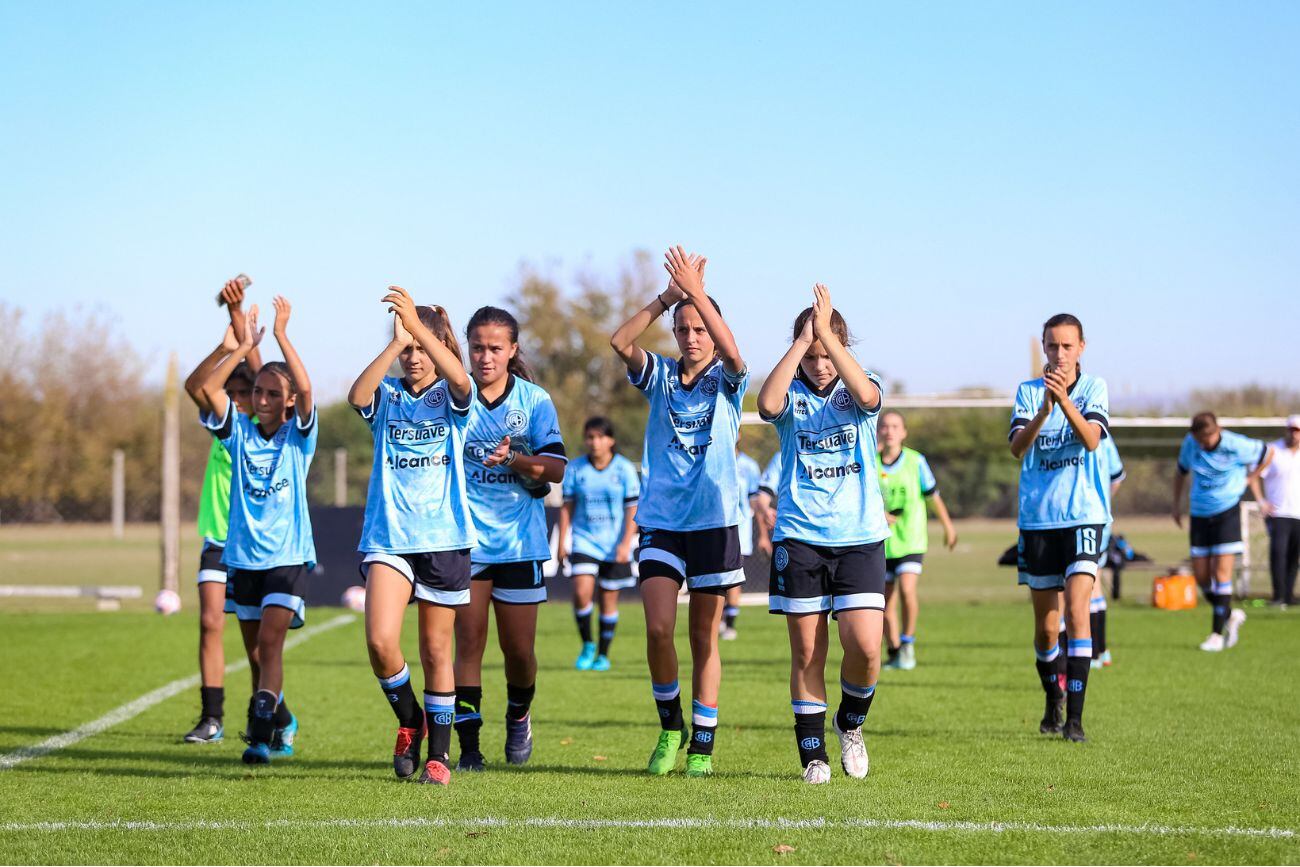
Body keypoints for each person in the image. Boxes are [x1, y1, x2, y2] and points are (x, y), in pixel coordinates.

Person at [610, 246, 747, 778]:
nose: (691, 337)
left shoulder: (728, 381)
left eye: (699, 328)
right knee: (658, 628)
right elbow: (620, 341)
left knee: (702, 637)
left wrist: (698, 295)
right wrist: (671, 296)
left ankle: (703, 746)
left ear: (713, 330)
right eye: (683, 328)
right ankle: (671, 728)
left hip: (714, 524)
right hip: (663, 522)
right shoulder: (662, 376)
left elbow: (735, 357)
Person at [758, 284, 888, 785]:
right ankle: (813, 756)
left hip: (859, 537)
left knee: (866, 647)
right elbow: (768, 404)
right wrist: (801, 341)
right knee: (808, 652)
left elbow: (868, 396)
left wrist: (829, 337)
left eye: (826, 354)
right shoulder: (791, 394)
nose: (819, 364)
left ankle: (850, 725)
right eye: (811, 356)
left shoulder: (860, 385)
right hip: (800, 537)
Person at [349, 289, 475, 785]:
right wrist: (393, 343)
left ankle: (439, 758)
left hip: (444, 537)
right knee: (381, 642)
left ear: (438, 346)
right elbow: (357, 397)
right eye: (407, 349)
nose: (414, 357)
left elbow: (462, 379)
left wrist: (421, 331)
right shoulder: (389, 396)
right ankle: (410, 719)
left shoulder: (453, 398)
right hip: (388, 537)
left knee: (435, 651)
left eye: (423, 348)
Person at [198, 298, 316, 764]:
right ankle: (283, 718)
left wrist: (283, 337)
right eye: (257, 393)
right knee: (256, 655)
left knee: (270, 644)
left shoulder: (299, 437)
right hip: (242, 559)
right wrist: (242, 345)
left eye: (271, 394)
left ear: (286, 402)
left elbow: (305, 389)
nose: (261, 401)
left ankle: (261, 736)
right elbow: (205, 387)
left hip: (286, 558)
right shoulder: (239, 432)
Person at [454, 306, 567, 771]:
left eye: (495, 348)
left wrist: (515, 462)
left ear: (513, 350)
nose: (485, 356)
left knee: (519, 652)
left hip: (521, 544)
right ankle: (469, 747)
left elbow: (556, 469)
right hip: (467, 542)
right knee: (469, 644)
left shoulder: (535, 401)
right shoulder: (454, 397)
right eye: (477, 347)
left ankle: (519, 715)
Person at [1009, 313, 1110, 744]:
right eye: (1052, 346)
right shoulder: (1028, 393)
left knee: (1077, 612)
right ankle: (1053, 697)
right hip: (1038, 520)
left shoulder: (1094, 388)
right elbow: (1016, 447)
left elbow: (1090, 439)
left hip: (1083, 515)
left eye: (1067, 346)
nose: (1059, 353)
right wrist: (1045, 408)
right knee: (1047, 627)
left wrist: (1064, 401)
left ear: (1081, 347)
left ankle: (1076, 720)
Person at [181, 278, 263, 744]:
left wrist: (240, 322)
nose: (233, 399)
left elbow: (260, 366)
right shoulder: (223, 425)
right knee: (211, 622)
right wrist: (227, 340)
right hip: (218, 538)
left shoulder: (262, 428)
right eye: (229, 392)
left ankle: (264, 712)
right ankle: (212, 716)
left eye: (242, 392)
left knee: (256, 645)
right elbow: (197, 385)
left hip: (255, 544)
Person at [1173, 412, 1272, 650]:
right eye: (1199, 440)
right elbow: (1181, 472)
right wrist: (1176, 505)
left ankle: (1217, 635)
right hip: (1199, 513)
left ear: (1217, 431)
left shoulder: (1235, 444)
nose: (1203, 445)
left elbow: (1268, 453)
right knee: (1201, 576)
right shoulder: (1190, 443)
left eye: (1206, 440)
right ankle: (1229, 615)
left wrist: (1251, 478)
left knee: (1222, 573)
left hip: (1227, 512)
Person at [556, 416, 640, 670]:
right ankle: (587, 645)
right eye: (590, 437)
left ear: (611, 440)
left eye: (600, 437)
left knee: (608, 600)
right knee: (582, 593)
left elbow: (632, 509)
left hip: (614, 543)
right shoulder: (576, 469)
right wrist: (563, 540)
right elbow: (567, 507)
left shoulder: (624, 469)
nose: (594, 442)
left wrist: (626, 544)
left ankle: (603, 654)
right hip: (585, 541)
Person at [876, 410, 958, 671]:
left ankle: (908, 644)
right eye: (885, 426)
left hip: (911, 540)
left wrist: (948, 526)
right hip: (882, 543)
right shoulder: (870, 463)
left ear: (904, 432)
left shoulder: (915, 461)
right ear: (878, 431)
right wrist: (879, 514)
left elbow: (933, 495)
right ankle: (895, 651)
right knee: (885, 602)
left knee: (908, 590)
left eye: (895, 426)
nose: (889, 430)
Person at [1249, 415, 1300, 608]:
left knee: (1294, 556)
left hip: (1298, 512)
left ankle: (1289, 595)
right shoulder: (1273, 450)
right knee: (1278, 552)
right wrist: (1261, 501)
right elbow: (1254, 476)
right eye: (1293, 430)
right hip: (1278, 512)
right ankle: (1278, 595)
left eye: (1298, 431)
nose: (1295, 434)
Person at [1089, 435, 1126, 669]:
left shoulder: (1096, 434)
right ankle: (1101, 650)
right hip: (1100, 520)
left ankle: (1093, 653)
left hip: (1085, 519)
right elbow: (1117, 477)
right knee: (1095, 583)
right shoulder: (1106, 436)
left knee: (1087, 586)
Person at [721, 446, 763, 641]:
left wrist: (763, 533)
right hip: (713, 529)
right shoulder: (714, 459)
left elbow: (755, 500)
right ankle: (719, 620)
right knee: (716, 579)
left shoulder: (749, 466)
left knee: (733, 579)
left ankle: (729, 625)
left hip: (740, 532)